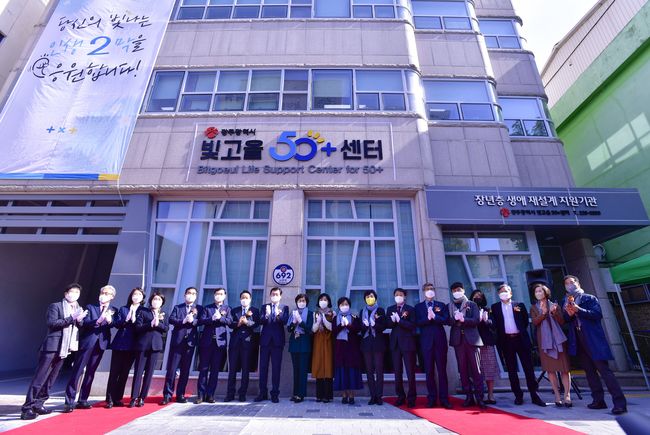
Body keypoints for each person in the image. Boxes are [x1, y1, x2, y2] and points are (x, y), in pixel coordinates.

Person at [20, 284, 88, 420]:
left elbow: (77, 326)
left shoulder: (78, 308)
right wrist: (71, 318)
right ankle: (27, 408)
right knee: (40, 378)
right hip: (52, 347)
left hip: (64, 348)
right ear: (66, 293)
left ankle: (39, 404)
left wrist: (79, 320)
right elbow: (52, 323)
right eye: (72, 292)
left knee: (51, 379)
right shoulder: (55, 306)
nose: (74, 294)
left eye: (77, 292)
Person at [562, 275, 627, 414]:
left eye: (572, 282)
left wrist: (578, 310)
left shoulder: (589, 298)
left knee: (604, 371)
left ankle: (619, 403)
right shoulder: (566, 300)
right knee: (589, 372)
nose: (569, 285)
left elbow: (597, 314)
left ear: (578, 283)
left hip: (592, 338)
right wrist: (569, 313)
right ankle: (598, 400)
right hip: (578, 339)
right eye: (566, 283)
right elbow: (566, 319)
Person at [491, 284, 546, 407]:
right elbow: (496, 324)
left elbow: (525, 321)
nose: (503, 293)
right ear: (498, 294)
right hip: (506, 341)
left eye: (506, 291)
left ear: (510, 293)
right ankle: (518, 395)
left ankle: (534, 394)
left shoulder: (519, 305)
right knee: (511, 370)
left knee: (528, 368)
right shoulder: (495, 307)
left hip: (520, 339)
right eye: (501, 291)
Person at [64, 285, 117, 412]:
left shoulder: (114, 310)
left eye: (107, 293)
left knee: (91, 372)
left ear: (112, 297)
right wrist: (97, 321)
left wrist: (110, 321)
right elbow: (85, 323)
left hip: (101, 344)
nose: (103, 295)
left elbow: (115, 324)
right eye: (102, 292)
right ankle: (69, 401)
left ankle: (83, 400)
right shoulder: (91, 307)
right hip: (88, 342)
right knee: (77, 370)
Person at [530, 283, 572, 407]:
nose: (538, 293)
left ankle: (567, 395)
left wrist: (554, 313)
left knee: (564, 369)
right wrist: (543, 313)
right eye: (536, 291)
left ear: (546, 292)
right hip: (544, 342)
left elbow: (562, 321)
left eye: (540, 291)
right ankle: (557, 395)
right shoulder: (534, 307)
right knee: (550, 370)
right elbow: (535, 322)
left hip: (558, 340)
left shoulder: (554, 305)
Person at [105, 287, 145, 408]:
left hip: (133, 345)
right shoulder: (124, 309)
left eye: (139, 294)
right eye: (134, 294)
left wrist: (135, 319)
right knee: (114, 372)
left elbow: (142, 327)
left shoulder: (143, 311)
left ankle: (118, 398)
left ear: (143, 297)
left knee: (124, 373)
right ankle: (109, 399)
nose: (136, 296)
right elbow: (116, 324)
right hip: (120, 343)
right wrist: (126, 319)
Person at [160, 286, 201, 405]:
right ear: (185, 295)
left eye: (193, 293)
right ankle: (167, 395)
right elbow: (171, 319)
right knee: (172, 369)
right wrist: (183, 321)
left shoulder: (199, 308)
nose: (191, 295)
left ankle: (180, 394)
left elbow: (201, 321)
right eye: (189, 293)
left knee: (185, 370)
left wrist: (193, 321)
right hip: (177, 341)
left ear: (196, 296)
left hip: (190, 342)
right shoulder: (178, 307)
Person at [448, 282, 485, 409]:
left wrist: (464, 320)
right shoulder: (450, 306)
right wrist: (455, 319)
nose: (456, 292)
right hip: (458, 340)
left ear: (463, 290)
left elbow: (476, 320)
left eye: (458, 289)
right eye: (454, 290)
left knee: (476, 369)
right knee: (463, 369)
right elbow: (448, 321)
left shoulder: (471, 304)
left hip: (472, 339)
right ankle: (468, 396)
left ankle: (480, 397)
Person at [416, 283, 452, 409]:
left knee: (442, 371)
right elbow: (417, 322)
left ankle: (444, 398)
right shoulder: (419, 307)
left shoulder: (441, 305)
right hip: (426, 343)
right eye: (427, 289)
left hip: (440, 341)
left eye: (431, 289)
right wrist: (427, 318)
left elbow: (446, 320)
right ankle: (431, 398)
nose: (430, 291)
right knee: (429, 371)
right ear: (423, 291)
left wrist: (435, 317)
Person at [131, 291, 169, 407]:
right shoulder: (143, 311)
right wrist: (150, 324)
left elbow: (165, 328)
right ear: (151, 301)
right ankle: (134, 397)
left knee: (149, 373)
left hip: (155, 346)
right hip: (143, 345)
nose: (156, 301)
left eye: (159, 300)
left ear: (162, 302)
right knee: (138, 372)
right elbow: (138, 327)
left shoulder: (163, 314)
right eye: (154, 299)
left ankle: (142, 397)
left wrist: (158, 324)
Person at [196, 287, 232, 404]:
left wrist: (221, 318)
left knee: (215, 370)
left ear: (224, 296)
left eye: (221, 294)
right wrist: (212, 318)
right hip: (207, 342)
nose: (218, 296)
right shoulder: (207, 308)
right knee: (203, 369)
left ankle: (210, 395)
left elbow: (230, 321)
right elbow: (201, 320)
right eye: (217, 294)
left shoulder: (227, 308)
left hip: (219, 343)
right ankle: (200, 395)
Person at [225, 290, 260, 402]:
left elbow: (257, 324)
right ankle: (230, 394)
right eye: (242, 297)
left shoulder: (255, 310)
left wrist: (247, 322)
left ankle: (242, 394)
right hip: (235, 343)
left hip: (247, 343)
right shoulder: (234, 310)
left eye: (246, 297)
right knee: (232, 370)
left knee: (245, 369)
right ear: (240, 299)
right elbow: (230, 324)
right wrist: (239, 323)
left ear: (250, 299)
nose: (244, 299)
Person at [256, 287, 289, 403]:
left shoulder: (284, 307)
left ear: (280, 296)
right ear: (270, 295)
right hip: (265, 342)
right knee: (263, 368)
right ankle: (262, 393)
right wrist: (266, 315)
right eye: (273, 294)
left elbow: (285, 321)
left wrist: (278, 315)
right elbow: (260, 321)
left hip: (277, 342)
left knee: (276, 368)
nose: (274, 296)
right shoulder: (264, 307)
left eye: (276, 294)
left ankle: (275, 394)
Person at [386, 288, 417, 408]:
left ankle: (411, 398)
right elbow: (388, 325)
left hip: (408, 343)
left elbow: (413, 325)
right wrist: (393, 321)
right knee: (397, 372)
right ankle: (400, 396)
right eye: (396, 295)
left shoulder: (410, 309)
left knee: (410, 372)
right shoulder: (390, 309)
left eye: (400, 295)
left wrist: (400, 321)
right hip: (395, 344)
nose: (398, 296)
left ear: (405, 296)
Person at [470, 289, 499, 405]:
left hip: (487, 342)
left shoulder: (488, 310)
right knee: (476, 370)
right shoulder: (469, 309)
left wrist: (487, 321)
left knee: (489, 369)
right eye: (475, 296)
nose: (478, 298)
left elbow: (494, 324)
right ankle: (479, 394)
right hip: (473, 342)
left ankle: (490, 395)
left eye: (480, 296)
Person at [359, 290, 388, 406]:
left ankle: (379, 396)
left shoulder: (380, 310)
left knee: (379, 371)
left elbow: (384, 327)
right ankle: (372, 396)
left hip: (378, 344)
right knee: (369, 371)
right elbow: (360, 329)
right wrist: (365, 326)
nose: (369, 298)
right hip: (366, 344)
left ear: (375, 298)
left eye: (371, 296)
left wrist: (375, 325)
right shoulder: (362, 311)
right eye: (367, 297)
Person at [332, 296, 363, 404]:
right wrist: (341, 325)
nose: (344, 306)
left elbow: (358, 330)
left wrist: (349, 325)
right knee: (342, 371)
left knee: (351, 371)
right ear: (339, 306)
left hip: (352, 348)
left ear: (349, 306)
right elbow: (333, 331)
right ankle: (344, 394)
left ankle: (351, 395)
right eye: (342, 304)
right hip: (340, 348)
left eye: (346, 304)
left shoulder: (354, 317)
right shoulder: (335, 318)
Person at [287, 293, 313, 402]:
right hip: (295, 343)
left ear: (306, 302)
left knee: (303, 370)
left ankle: (301, 394)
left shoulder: (310, 314)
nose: (301, 302)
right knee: (296, 370)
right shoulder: (293, 313)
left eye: (303, 301)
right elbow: (289, 329)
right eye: (299, 301)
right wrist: (294, 322)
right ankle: (295, 393)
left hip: (304, 343)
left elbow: (309, 329)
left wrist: (301, 322)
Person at [311, 293, 335, 403]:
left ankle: (328, 396)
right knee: (319, 365)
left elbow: (331, 328)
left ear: (328, 301)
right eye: (321, 299)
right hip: (318, 341)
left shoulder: (332, 313)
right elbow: (313, 329)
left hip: (328, 341)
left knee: (328, 366)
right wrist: (318, 322)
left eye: (325, 299)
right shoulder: (315, 313)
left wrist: (324, 319)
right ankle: (319, 395)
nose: (323, 301)